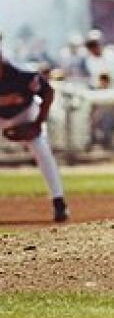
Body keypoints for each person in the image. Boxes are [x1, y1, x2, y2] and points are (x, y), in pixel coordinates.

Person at [0, 32, 69, 222]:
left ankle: (58, 202)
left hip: (25, 114)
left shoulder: (21, 74)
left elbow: (48, 92)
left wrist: (38, 123)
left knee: (42, 150)